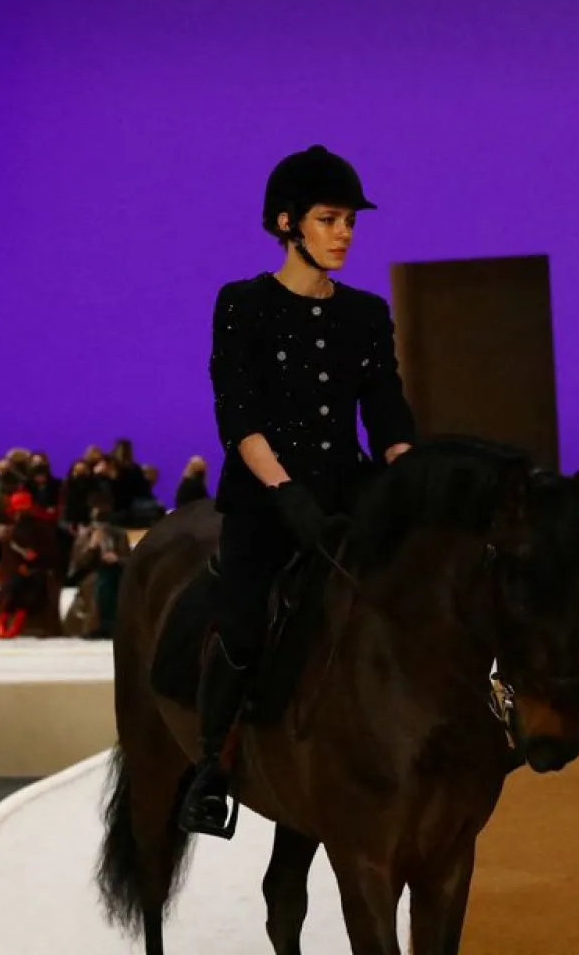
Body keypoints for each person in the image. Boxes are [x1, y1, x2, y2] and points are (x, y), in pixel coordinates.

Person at [180, 145, 417, 839]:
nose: (344, 232)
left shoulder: (367, 314)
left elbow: (386, 407)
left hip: (346, 487)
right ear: (288, 223)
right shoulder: (243, 304)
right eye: (329, 218)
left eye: (348, 220)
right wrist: (283, 490)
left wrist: (407, 468)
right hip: (265, 495)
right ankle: (210, 766)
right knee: (245, 620)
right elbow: (239, 414)